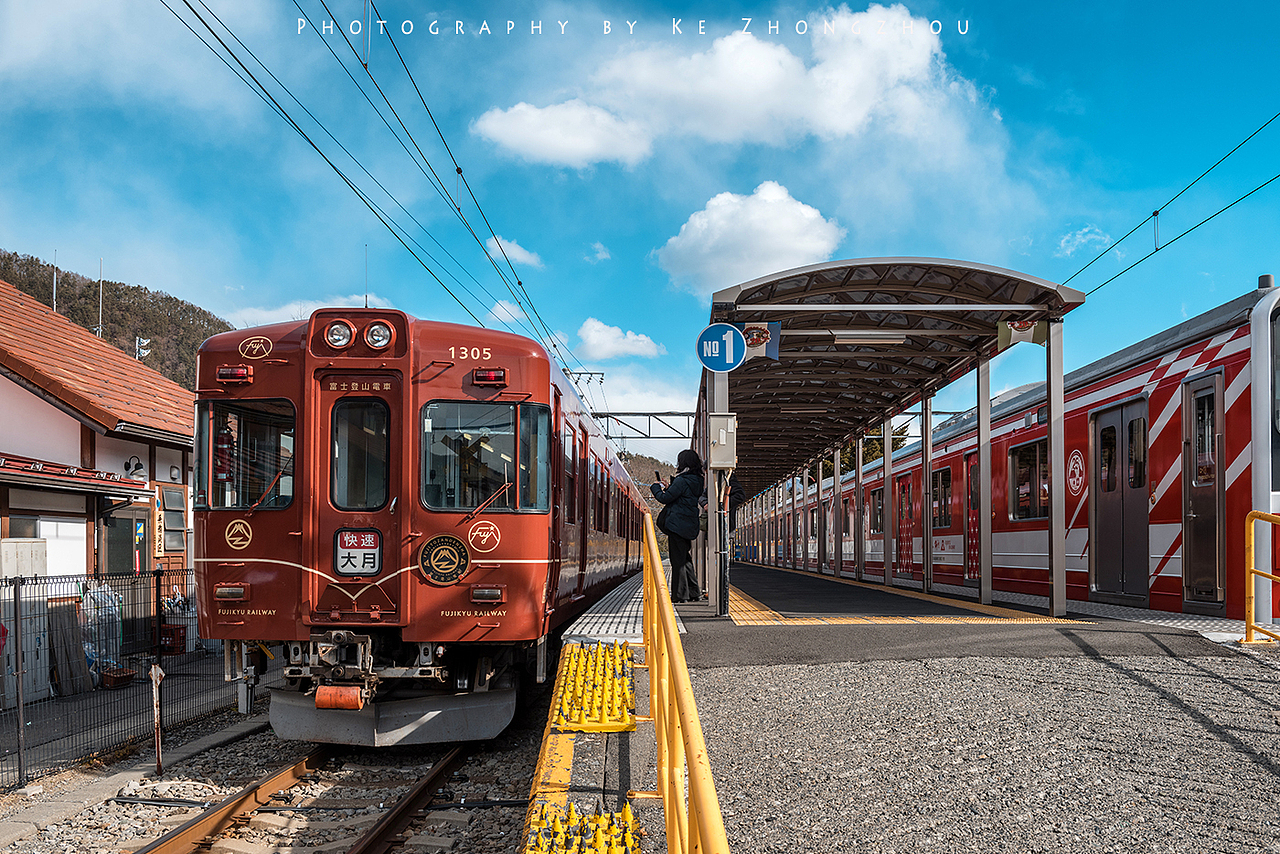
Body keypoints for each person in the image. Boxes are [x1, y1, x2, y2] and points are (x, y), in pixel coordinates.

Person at [651, 449, 705, 602]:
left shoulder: (682, 480)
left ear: (683, 463)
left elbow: (664, 498)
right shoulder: (697, 479)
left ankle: (680, 596)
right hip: (689, 524)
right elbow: (682, 497)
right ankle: (694, 592)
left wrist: (656, 487)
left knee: (678, 561)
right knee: (685, 559)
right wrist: (670, 487)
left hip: (677, 525)